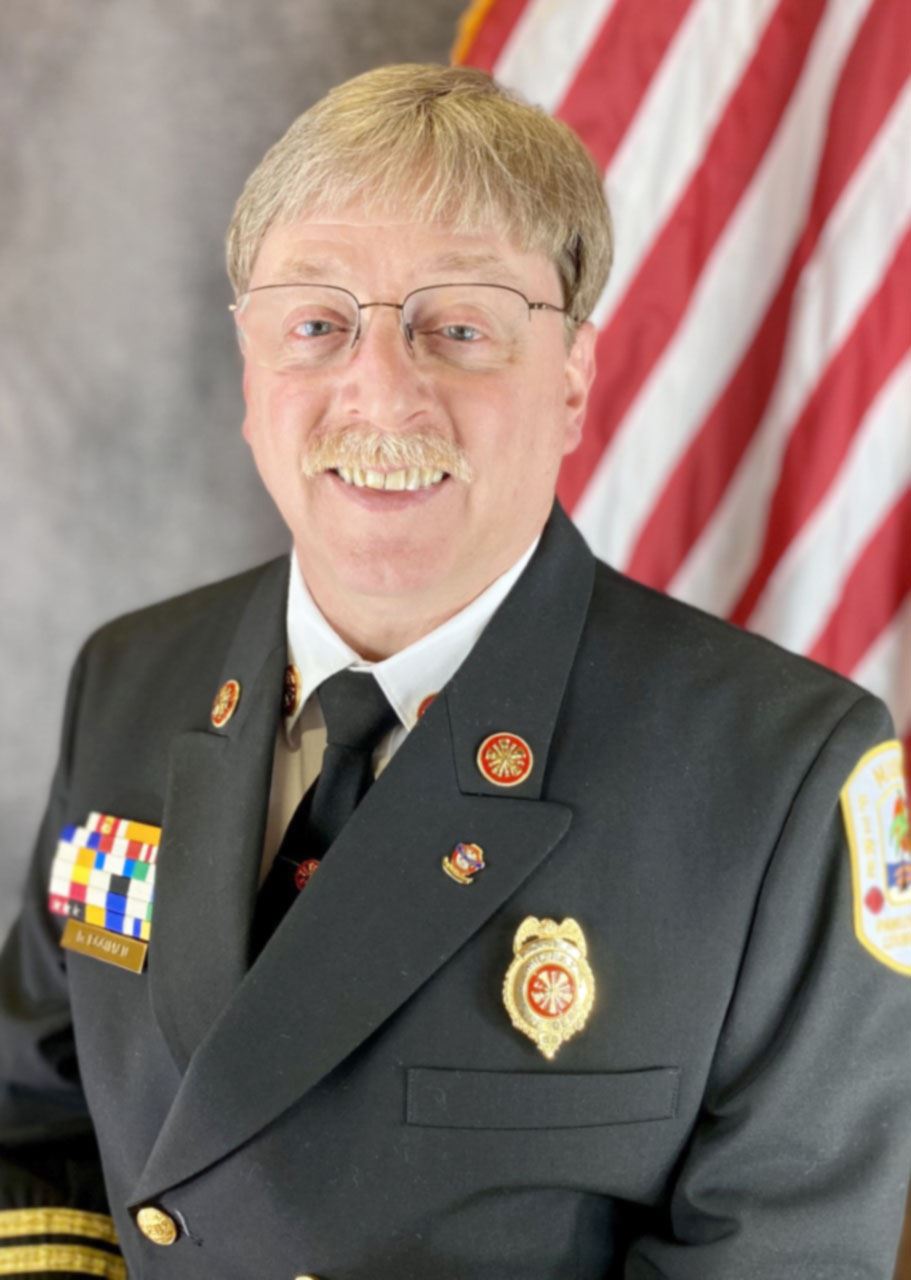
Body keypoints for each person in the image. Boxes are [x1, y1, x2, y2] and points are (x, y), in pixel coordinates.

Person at [1, 62, 909, 1280]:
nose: (380, 391)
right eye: (317, 323)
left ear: (574, 379)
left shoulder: (786, 777)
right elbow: (36, 1112)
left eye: (460, 327)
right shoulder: (130, 678)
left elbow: (776, 1251)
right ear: (250, 370)